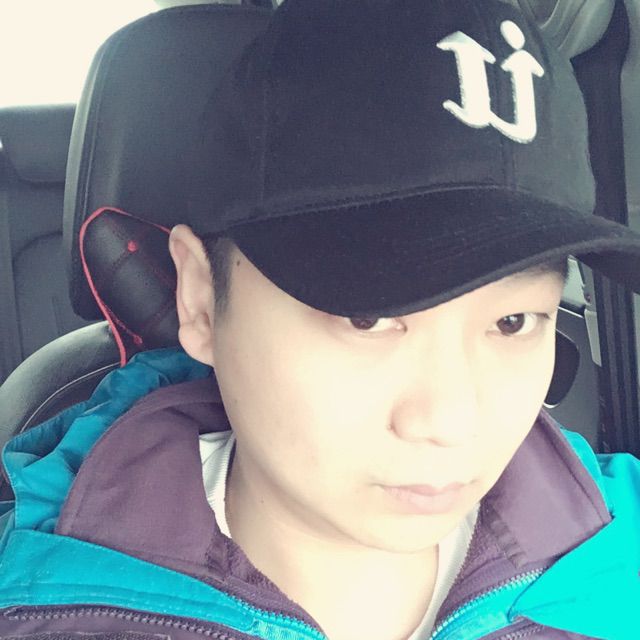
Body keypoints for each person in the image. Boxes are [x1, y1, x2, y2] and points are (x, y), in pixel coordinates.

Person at [1, 0, 639, 639]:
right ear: (200, 299)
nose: (450, 422)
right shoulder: (38, 606)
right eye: (367, 318)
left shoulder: (617, 544)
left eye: (513, 322)